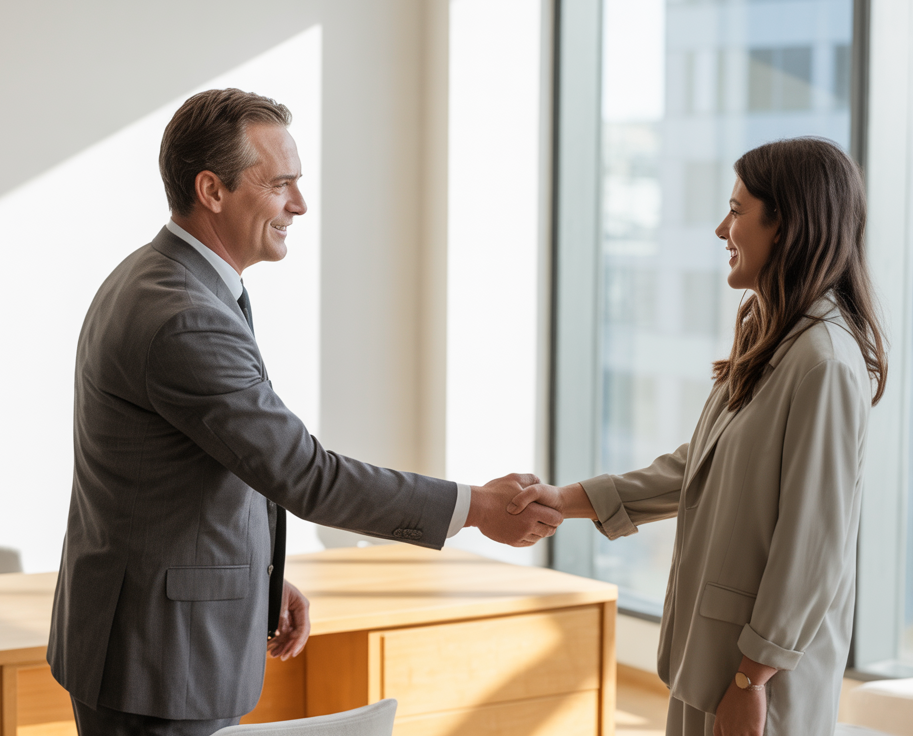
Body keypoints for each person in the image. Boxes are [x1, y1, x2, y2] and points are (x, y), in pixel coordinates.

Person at [47, 89, 562, 736]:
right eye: (281, 184)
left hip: (154, 633)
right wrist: (478, 508)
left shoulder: (162, 277)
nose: (300, 204)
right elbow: (305, 474)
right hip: (158, 660)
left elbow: (213, 463)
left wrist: (258, 581)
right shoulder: (184, 319)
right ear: (212, 189)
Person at [511, 137, 887, 736]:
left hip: (760, 679)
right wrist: (569, 500)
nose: (721, 229)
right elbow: (701, 465)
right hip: (714, 657)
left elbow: (814, 545)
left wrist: (753, 678)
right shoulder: (775, 338)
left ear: (785, 226)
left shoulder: (825, 362)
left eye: (737, 211)